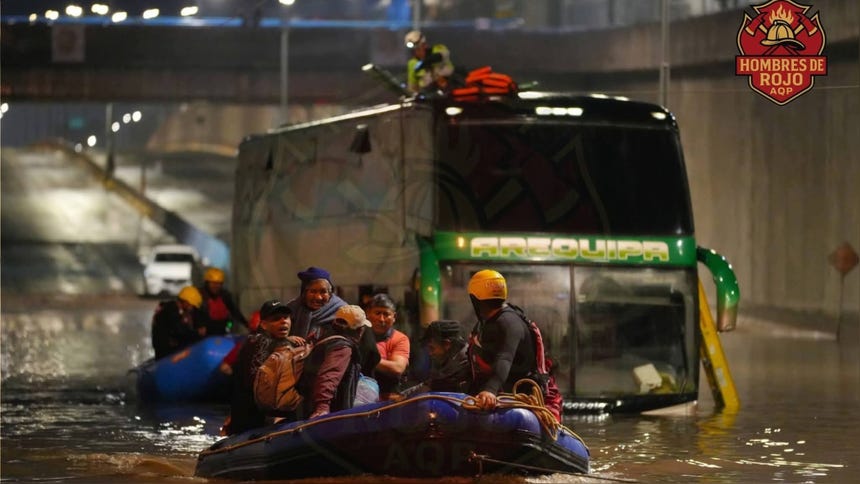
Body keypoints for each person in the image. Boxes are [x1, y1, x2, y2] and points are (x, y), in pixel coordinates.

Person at [466, 269, 538, 412]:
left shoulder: (509, 323)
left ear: (475, 299)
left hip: (517, 395)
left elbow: (505, 357)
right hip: (497, 392)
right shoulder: (484, 324)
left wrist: (490, 390)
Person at [286, 267, 381, 373]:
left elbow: (368, 351)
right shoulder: (291, 310)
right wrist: (286, 339)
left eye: (323, 292)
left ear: (330, 293)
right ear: (304, 292)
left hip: (333, 372)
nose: (318, 297)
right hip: (294, 372)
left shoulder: (343, 312)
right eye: (313, 291)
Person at [225, 299, 298, 435]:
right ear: (264, 325)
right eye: (276, 319)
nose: (283, 322)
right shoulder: (256, 342)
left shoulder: (280, 342)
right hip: (252, 422)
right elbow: (258, 384)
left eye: (286, 318)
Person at [298, 305, 370, 419]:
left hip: (307, 406)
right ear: (359, 330)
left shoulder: (325, 338)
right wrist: (322, 406)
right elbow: (329, 374)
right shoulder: (342, 347)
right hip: (329, 413)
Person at [366, 293, 410, 400]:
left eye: (386, 314)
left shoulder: (400, 339)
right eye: (377, 313)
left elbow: (398, 368)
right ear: (368, 314)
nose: (381, 319)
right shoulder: (358, 335)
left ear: (394, 317)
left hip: (389, 397)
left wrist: (367, 359)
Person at [150, 285, 205, 359]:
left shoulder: (180, 310)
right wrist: (197, 332)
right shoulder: (170, 310)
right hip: (165, 351)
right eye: (191, 305)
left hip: (172, 347)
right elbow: (179, 331)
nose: (192, 308)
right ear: (185, 302)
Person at [421, 319, 471, 393]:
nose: (430, 353)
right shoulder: (444, 360)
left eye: (432, 348)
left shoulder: (469, 364)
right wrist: (404, 396)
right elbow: (427, 385)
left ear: (447, 344)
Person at [198, 267, 248, 336]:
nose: (216, 286)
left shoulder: (225, 295)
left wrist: (247, 324)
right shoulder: (200, 295)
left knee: (230, 322)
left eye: (219, 283)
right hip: (206, 332)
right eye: (213, 283)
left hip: (224, 330)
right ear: (207, 283)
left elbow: (235, 311)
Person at [404, 30, 454, 94]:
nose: (417, 52)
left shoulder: (438, 48)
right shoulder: (412, 63)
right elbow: (412, 86)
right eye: (414, 50)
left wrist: (425, 62)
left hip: (450, 87)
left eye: (419, 48)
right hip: (429, 94)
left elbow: (442, 55)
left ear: (424, 45)